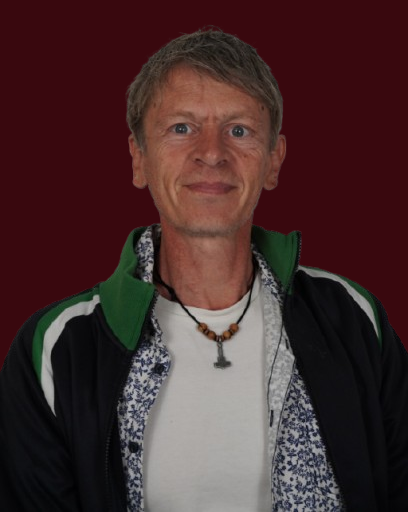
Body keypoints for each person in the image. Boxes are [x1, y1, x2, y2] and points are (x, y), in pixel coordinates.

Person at [0, 29, 407, 512]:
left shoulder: (354, 319)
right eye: (181, 128)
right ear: (138, 158)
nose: (212, 152)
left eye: (239, 130)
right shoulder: (57, 348)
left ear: (273, 161)